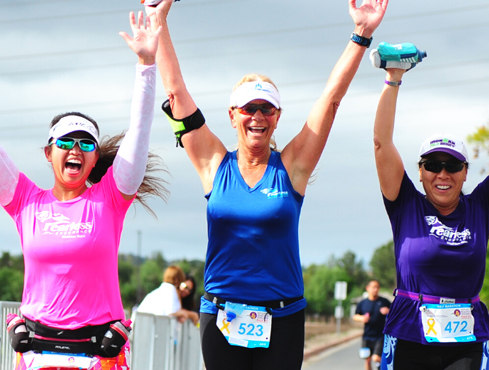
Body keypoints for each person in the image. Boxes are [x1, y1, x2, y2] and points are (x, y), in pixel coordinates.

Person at [143, 0, 387, 368]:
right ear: (233, 116)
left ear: (277, 118)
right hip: (222, 316)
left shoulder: (291, 168)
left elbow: (331, 101)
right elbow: (176, 94)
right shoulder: (214, 163)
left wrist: (362, 34)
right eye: (248, 108)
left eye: (266, 109)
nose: (257, 116)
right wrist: (157, 19)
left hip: (283, 317)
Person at [0, 11, 166, 369]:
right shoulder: (25, 201)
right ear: (49, 154)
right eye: (65, 141)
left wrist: (146, 64)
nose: (75, 149)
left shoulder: (110, 198)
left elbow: (139, 133)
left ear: (95, 160)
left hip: (99, 354)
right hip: (37, 351)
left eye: (86, 143)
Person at [371, 52, 489, 369]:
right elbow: (381, 143)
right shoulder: (405, 203)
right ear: (420, 172)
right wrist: (393, 78)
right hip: (409, 333)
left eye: (452, 166)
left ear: (465, 173)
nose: (442, 174)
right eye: (433, 165)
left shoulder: (481, 207)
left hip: (465, 340)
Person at [353, 279, 390, 370]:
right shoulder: (363, 303)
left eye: (377, 287)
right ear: (367, 288)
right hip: (367, 336)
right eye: (373, 287)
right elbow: (355, 316)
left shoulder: (384, 302)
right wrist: (362, 318)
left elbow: (395, 313)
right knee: (367, 360)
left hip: (380, 336)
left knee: (376, 358)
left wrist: (388, 311)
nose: (375, 289)